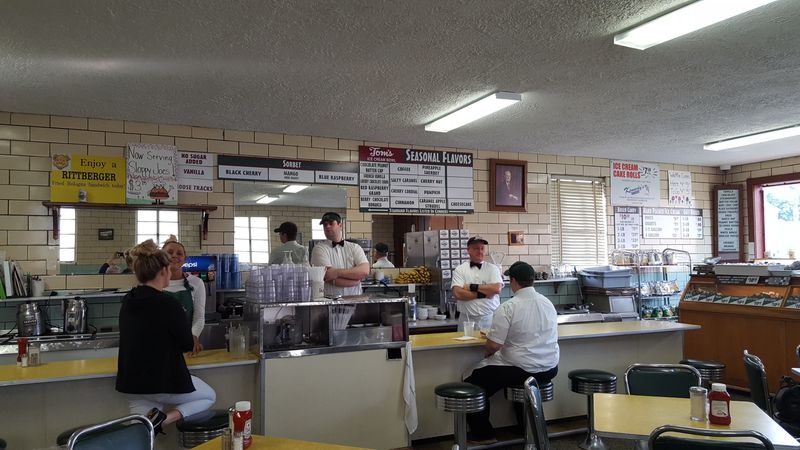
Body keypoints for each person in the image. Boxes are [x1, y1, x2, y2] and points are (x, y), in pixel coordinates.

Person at [116, 239, 216, 435]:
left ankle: (151, 425)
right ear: (162, 271)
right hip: (163, 380)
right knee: (209, 396)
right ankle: (164, 420)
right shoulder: (169, 304)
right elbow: (186, 343)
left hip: (132, 383)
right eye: (168, 269)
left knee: (141, 436)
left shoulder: (129, 299)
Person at [464, 261, 559, 444]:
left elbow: (493, 345)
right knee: (520, 382)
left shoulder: (508, 307)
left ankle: (484, 434)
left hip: (521, 370)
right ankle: (525, 427)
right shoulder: (547, 303)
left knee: (474, 382)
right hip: (550, 368)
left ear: (513, 281)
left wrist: (488, 354)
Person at [162, 235, 206, 355]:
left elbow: (199, 317)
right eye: (169, 252)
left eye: (179, 253)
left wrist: (193, 336)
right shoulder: (154, 282)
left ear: (185, 259)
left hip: (186, 346)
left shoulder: (196, 283)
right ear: (161, 257)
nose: (174, 255)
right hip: (159, 347)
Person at [310, 212, 370, 297]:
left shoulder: (355, 247)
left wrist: (336, 273)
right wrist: (355, 281)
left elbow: (364, 271)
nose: (327, 226)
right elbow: (327, 276)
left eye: (331, 223)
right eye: (325, 225)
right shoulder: (319, 249)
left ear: (340, 225)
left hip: (355, 299)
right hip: (330, 300)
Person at [451, 237, 503, 324]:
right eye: (476, 249)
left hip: (490, 318)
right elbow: (457, 293)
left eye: (482, 248)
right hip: (466, 319)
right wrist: (483, 294)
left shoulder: (493, 269)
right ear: (468, 250)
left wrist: (470, 287)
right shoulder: (460, 269)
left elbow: (496, 289)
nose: (480, 251)